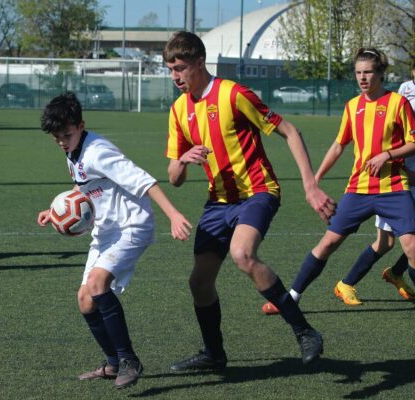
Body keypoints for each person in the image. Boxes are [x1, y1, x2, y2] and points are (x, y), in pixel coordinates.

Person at [163, 31, 336, 371]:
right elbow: (173, 178)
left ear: (200, 63)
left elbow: (289, 130)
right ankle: (214, 354)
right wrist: (183, 159)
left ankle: (304, 331)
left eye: (181, 68)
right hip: (218, 202)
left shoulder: (233, 95)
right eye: (170, 70)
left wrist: (310, 186)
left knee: (242, 254)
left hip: (258, 192)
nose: (175, 77)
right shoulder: (179, 110)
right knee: (199, 282)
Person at [36, 92, 192, 389]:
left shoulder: (98, 152)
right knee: (85, 301)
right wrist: (56, 211)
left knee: (97, 284)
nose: (61, 141)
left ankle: (129, 360)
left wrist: (172, 214)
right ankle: (113, 363)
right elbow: (82, 183)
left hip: (132, 224)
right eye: (56, 137)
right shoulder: (72, 149)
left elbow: (143, 179)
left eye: (66, 135)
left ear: (81, 125)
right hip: (107, 229)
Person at [262, 48, 415, 315]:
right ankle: (291, 298)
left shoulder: (397, 103)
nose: (362, 78)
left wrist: (387, 155)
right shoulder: (352, 107)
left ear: (380, 73)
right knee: (328, 243)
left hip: (393, 188)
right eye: (358, 73)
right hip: (359, 189)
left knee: (411, 246)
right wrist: (316, 178)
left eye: (368, 72)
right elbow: (337, 146)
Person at [328, 64, 415, 306]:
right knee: (389, 241)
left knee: (391, 241)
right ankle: (349, 282)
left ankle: (389, 274)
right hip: (397, 178)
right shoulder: (404, 93)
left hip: (401, 177)